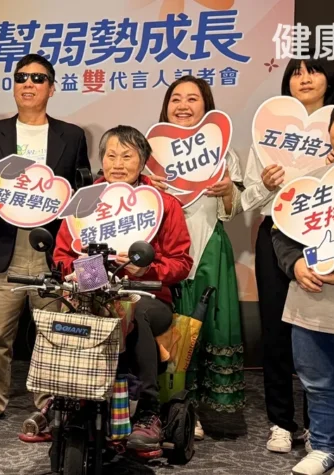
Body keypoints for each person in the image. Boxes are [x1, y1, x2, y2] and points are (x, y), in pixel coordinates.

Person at [0, 53, 91, 428]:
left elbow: (83, 186)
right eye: (21, 77)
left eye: (38, 78)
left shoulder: (72, 135)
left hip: (51, 247)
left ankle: (48, 400)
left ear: (51, 88)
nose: (28, 84)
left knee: (53, 330)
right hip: (5, 243)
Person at [53, 125, 193, 448]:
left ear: (143, 161)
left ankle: (148, 410)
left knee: (136, 311)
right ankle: (64, 402)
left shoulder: (164, 204)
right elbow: (61, 256)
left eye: (127, 156)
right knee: (62, 309)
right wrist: (82, 273)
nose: (118, 164)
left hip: (148, 296)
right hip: (94, 294)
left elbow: (182, 263)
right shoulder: (84, 202)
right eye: (111, 156)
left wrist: (146, 269)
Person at [242, 53, 334, 453]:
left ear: (329, 80)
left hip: (326, 234)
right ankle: (281, 422)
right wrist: (265, 184)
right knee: (275, 330)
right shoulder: (268, 132)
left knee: (320, 331)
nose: (304, 78)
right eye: (296, 73)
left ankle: (320, 424)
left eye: (313, 71)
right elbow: (248, 200)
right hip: (275, 234)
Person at [272, 92, 334, 475]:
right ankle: (325, 446)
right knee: (316, 383)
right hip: (307, 305)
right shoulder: (310, 181)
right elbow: (281, 233)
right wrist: (295, 264)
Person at [151, 76, 245, 439]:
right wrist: (148, 186)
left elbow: (232, 211)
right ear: (166, 106)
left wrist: (227, 191)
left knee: (209, 326)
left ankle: (204, 410)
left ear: (207, 105)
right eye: (176, 98)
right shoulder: (151, 152)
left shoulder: (224, 152)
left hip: (209, 249)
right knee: (173, 329)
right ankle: (175, 406)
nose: (183, 105)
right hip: (165, 252)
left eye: (193, 98)